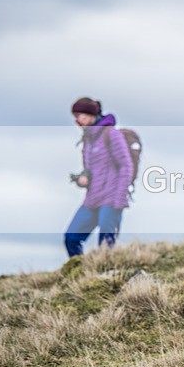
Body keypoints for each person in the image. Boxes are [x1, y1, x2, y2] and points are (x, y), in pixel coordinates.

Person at [64, 97, 133, 257]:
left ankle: (104, 270)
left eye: (79, 115)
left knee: (106, 246)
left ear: (90, 114)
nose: (76, 120)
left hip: (112, 198)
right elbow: (89, 170)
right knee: (71, 238)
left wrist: (119, 198)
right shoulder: (88, 139)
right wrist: (83, 179)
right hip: (92, 199)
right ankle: (82, 269)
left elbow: (126, 166)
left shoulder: (111, 134)